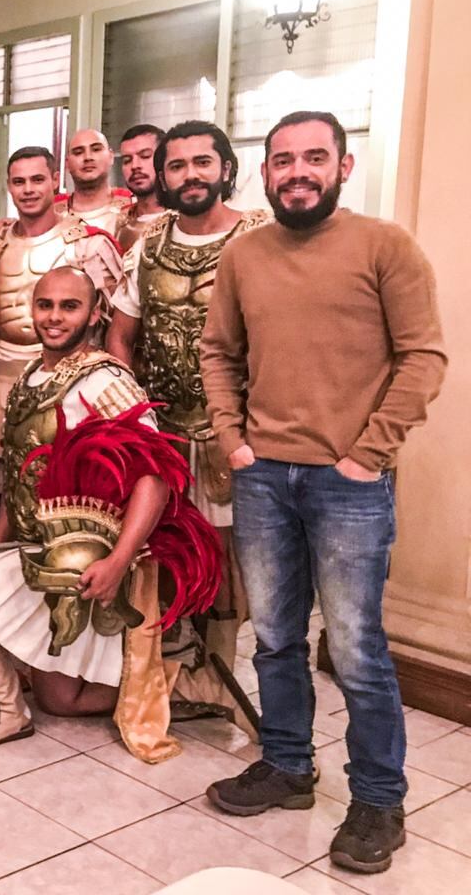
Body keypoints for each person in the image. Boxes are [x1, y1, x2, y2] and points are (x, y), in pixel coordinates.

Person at [200, 111, 446, 875]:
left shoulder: (385, 247)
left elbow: (424, 358)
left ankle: (378, 799)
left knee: (356, 649)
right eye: (283, 160)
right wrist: (233, 439)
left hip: (349, 484)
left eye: (314, 157)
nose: (297, 172)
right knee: (274, 637)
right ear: (264, 172)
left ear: (343, 165)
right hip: (263, 477)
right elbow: (218, 351)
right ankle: (287, 765)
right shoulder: (244, 255)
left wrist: (368, 455)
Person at [0, 267, 219, 753]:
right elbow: (20, 475)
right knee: (56, 695)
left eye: (70, 306)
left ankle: (167, 678)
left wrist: (118, 562)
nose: (55, 317)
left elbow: (156, 475)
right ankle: (162, 681)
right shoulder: (29, 376)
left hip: (81, 562)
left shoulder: (104, 380)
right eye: (45, 305)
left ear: (95, 312)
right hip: (34, 552)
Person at [107, 120, 269, 734]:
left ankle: (221, 676)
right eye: (177, 165)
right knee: (169, 552)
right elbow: (122, 335)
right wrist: (136, 413)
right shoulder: (147, 247)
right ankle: (175, 674)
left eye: (203, 162)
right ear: (163, 175)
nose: (191, 175)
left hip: (240, 433)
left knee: (230, 562)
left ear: (226, 168)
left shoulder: (261, 238)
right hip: (165, 429)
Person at [0, 146, 123, 548]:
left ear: (55, 182)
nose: (28, 189)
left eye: (37, 179)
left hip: (67, 387)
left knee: (61, 491)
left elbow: (113, 325)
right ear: (9, 187)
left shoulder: (88, 246)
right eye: (19, 181)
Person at [56, 128, 133, 238]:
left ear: (111, 156)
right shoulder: (51, 214)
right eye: (78, 152)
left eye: (96, 150)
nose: (88, 157)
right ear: (67, 164)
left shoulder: (134, 208)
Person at [114, 124, 166, 252]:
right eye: (127, 160)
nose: (135, 166)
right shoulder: (116, 223)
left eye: (145, 156)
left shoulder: (186, 220)